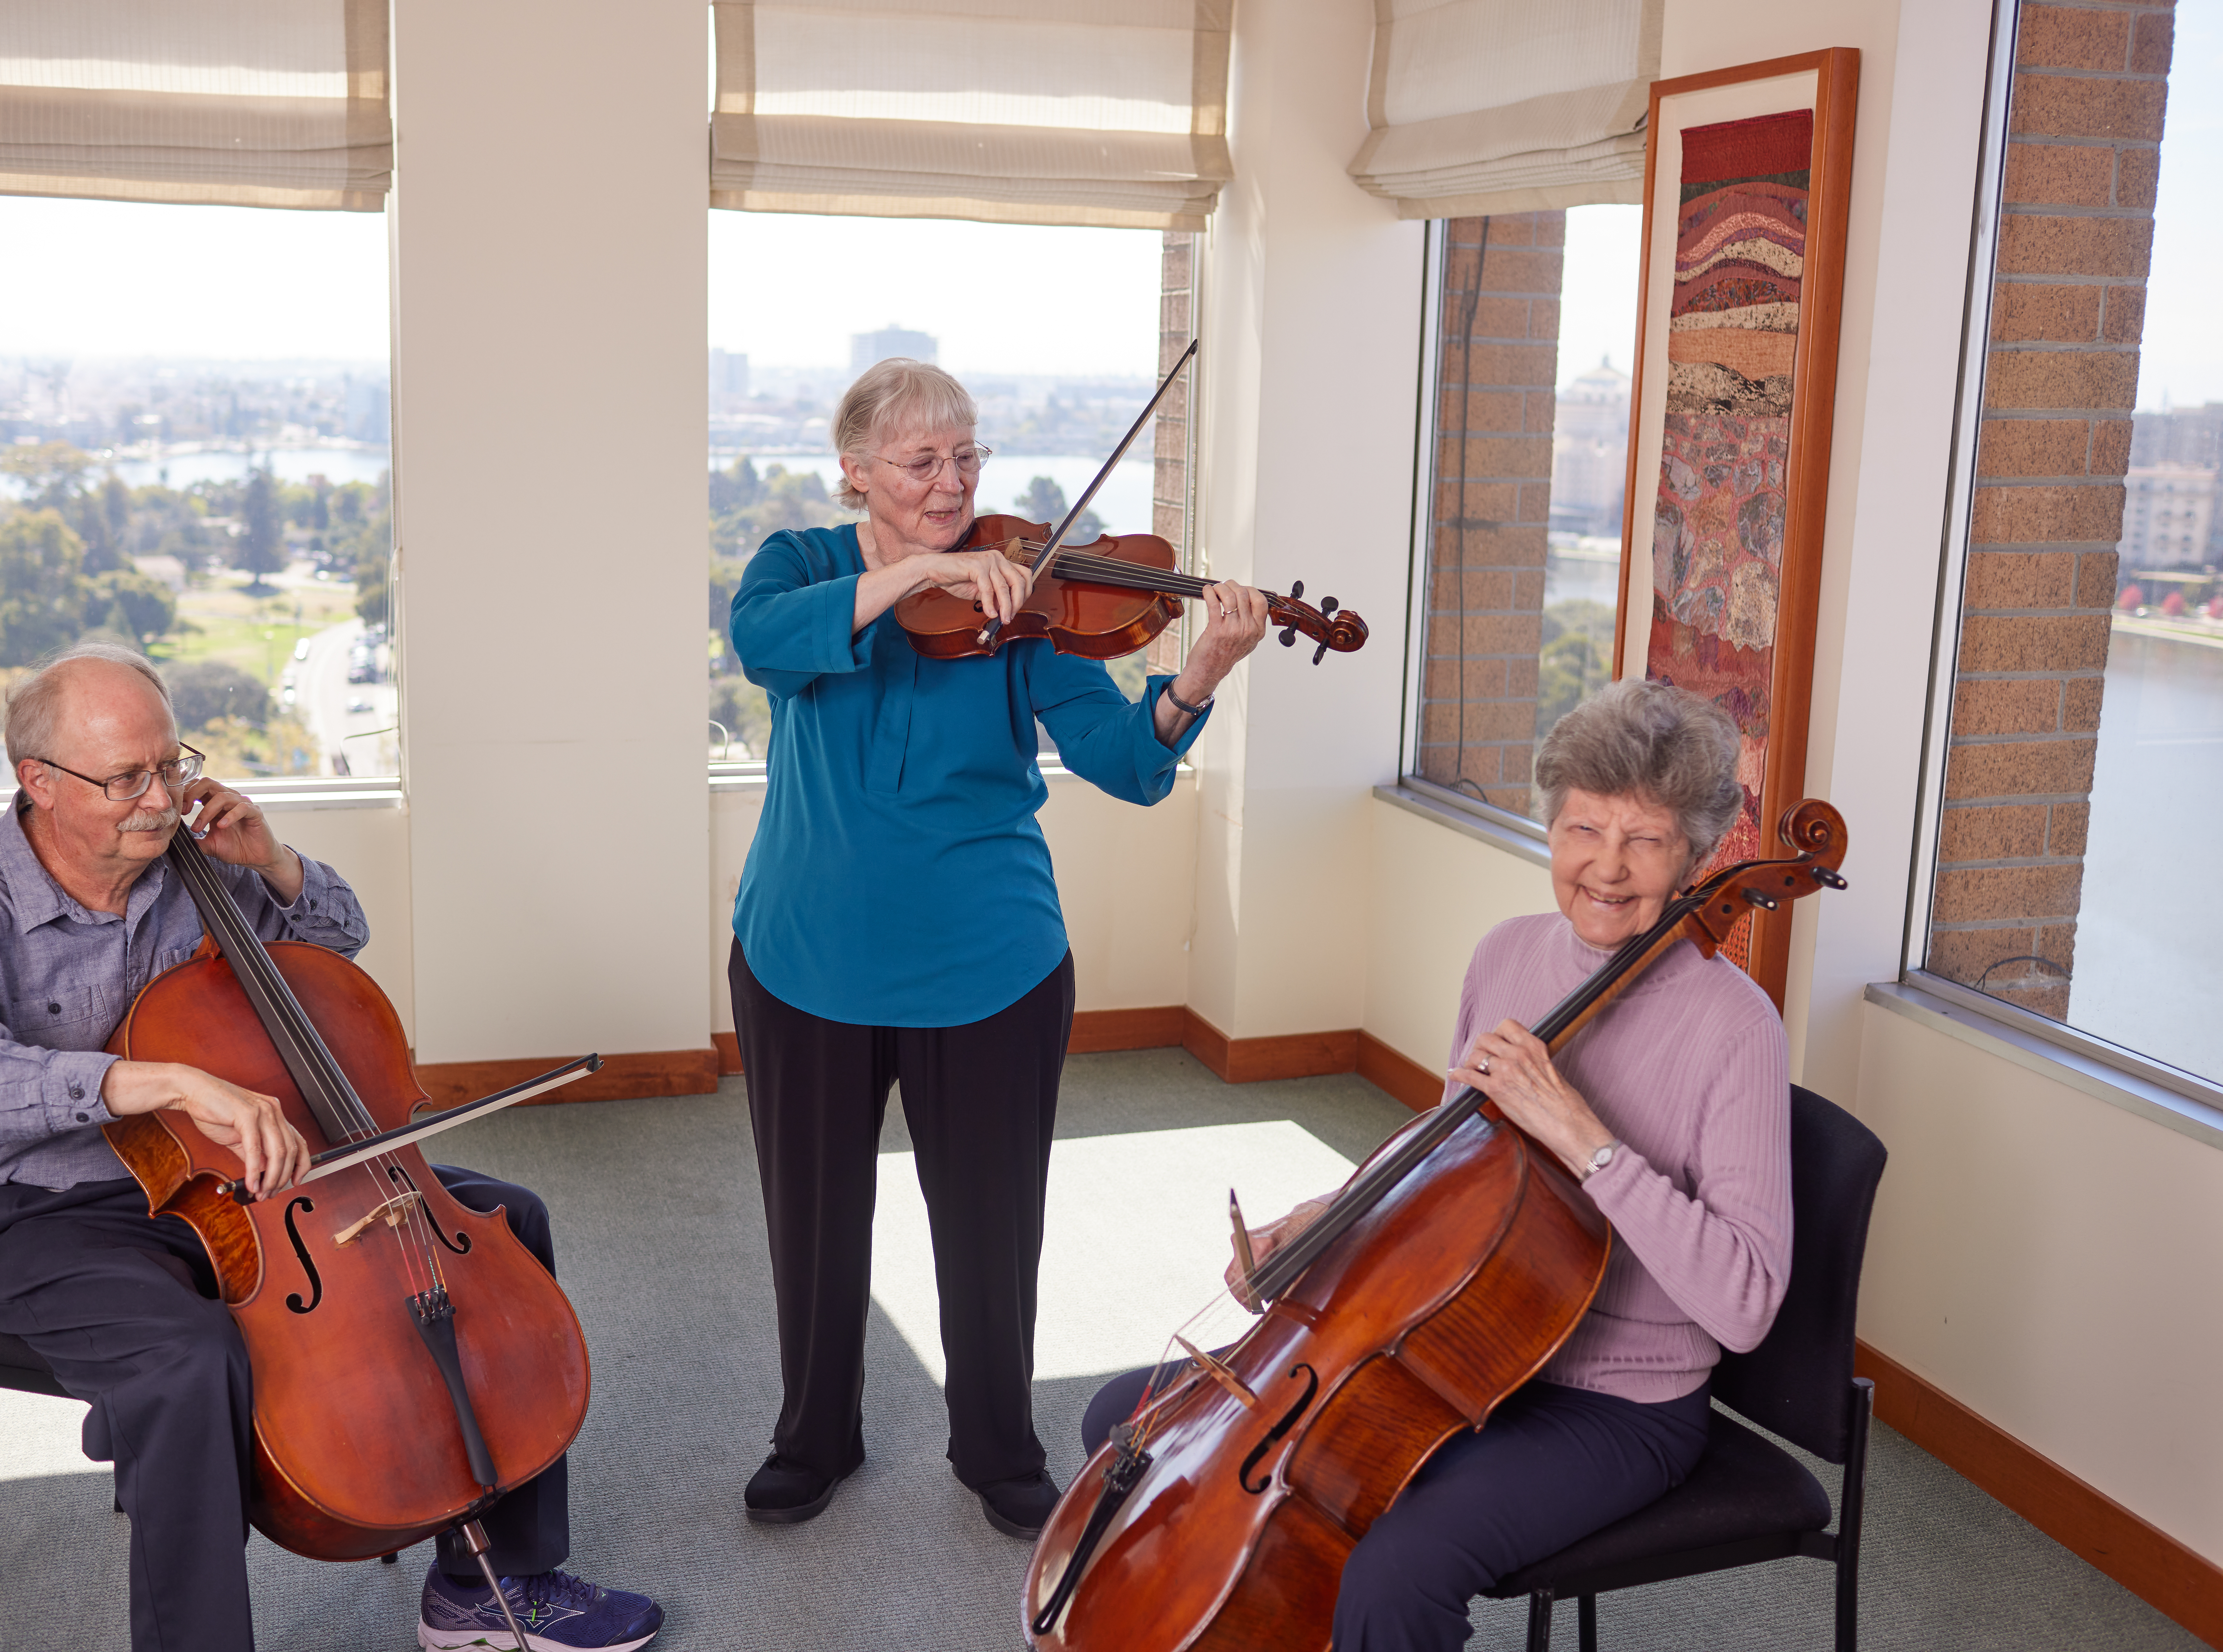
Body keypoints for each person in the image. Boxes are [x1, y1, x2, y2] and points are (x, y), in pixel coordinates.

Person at [0, 642, 662, 1652]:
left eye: (174, 764)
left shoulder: (192, 867)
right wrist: (150, 1082)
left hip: (251, 1185)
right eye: (128, 779)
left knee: (506, 1224)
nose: (161, 800)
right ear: (41, 783)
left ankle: (488, 1583)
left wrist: (279, 865)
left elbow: (336, 948)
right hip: (48, 1209)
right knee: (186, 1357)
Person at [1078, 678, 1792, 1650]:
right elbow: (1450, 1164)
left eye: (1646, 842)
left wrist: (1583, 1135)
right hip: (1449, 1349)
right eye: (1584, 830)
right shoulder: (1509, 956)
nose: (1607, 870)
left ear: (1698, 859)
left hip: (1613, 1405)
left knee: (1396, 1575)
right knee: (1133, 1430)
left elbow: (1746, 1305)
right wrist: (1315, 1227)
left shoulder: (1735, 1027)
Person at [726, 358, 1270, 1537]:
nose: (950, 481)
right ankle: (813, 1436)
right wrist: (921, 569)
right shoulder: (804, 568)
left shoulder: (1020, 597)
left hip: (988, 964)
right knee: (812, 1220)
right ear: (854, 470)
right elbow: (762, 643)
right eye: (921, 461)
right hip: (804, 958)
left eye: (966, 456)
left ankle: (995, 1444)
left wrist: (1201, 672)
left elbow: (1128, 764)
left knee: (989, 1222)